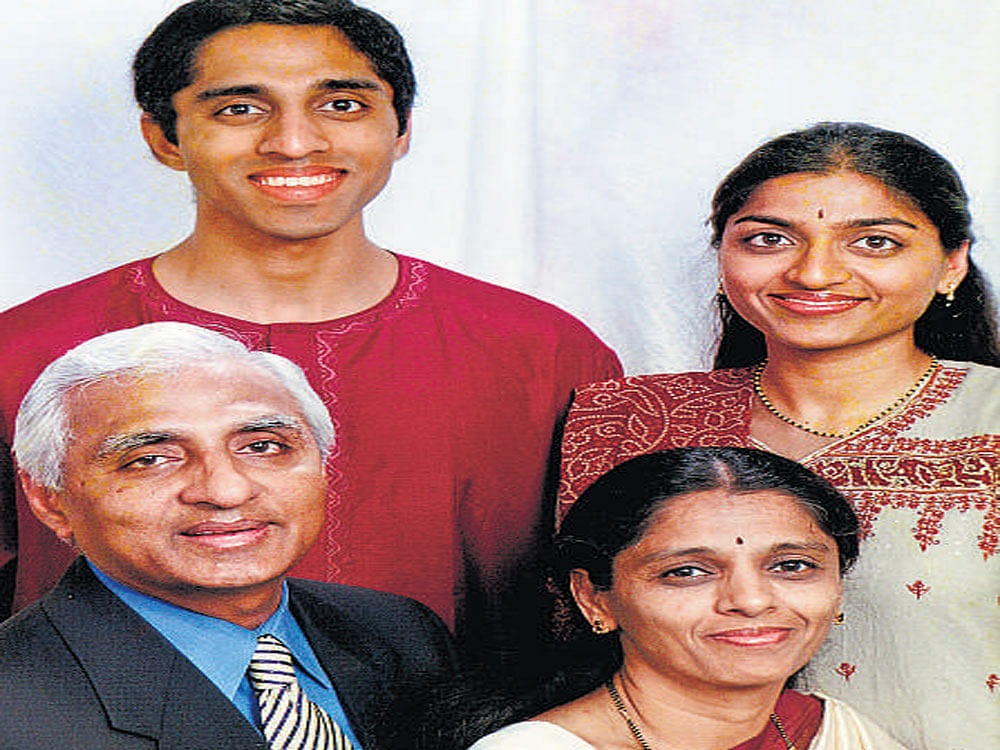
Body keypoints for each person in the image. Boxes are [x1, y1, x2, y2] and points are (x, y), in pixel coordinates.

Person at [0, 0, 622, 670]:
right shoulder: (28, 351)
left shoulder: (544, 352)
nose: (295, 142)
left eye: (343, 105)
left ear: (402, 127)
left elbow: (623, 595)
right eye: (239, 108)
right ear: (165, 136)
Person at [558, 122, 1000, 748]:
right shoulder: (627, 419)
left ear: (951, 263)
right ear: (722, 256)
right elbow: (572, 644)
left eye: (873, 242)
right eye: (768, 239)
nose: (815, 274)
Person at [0, 322, 457, 749]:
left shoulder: (400, 634)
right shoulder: (14, 712)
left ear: (322, 465)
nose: (226, 491)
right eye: (151, 459)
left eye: (262, 447)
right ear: (49, 499)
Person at [467, 448, 902, 749]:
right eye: (687, 572)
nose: (751, 601)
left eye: (792, 566)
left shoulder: (833, 732)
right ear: (594, 599)